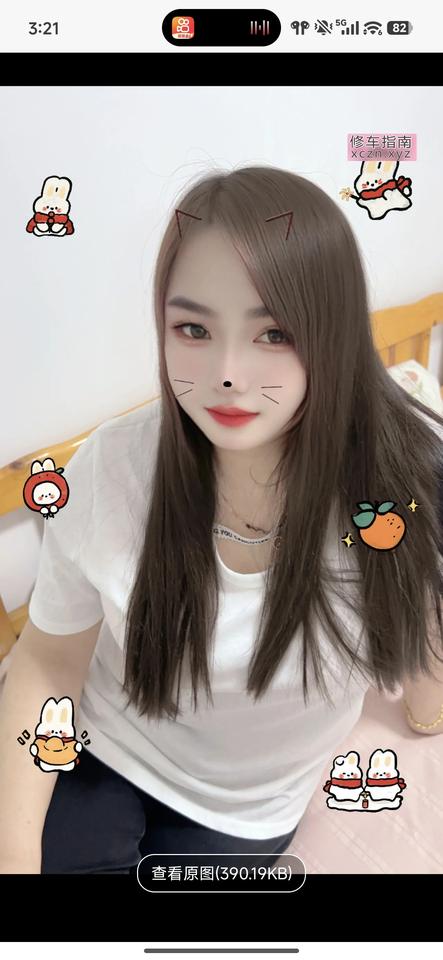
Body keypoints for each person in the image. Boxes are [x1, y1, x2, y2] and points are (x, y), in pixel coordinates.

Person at [1, 165, 442, 875]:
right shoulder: (111, 469)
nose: (227, 372)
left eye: (274, 333)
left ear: (331, 335)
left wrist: (426, 705)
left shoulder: (404, 489)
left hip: (243, 808)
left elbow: (421, 654)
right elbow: (48, 663)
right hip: (101, 745)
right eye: (193, 328)